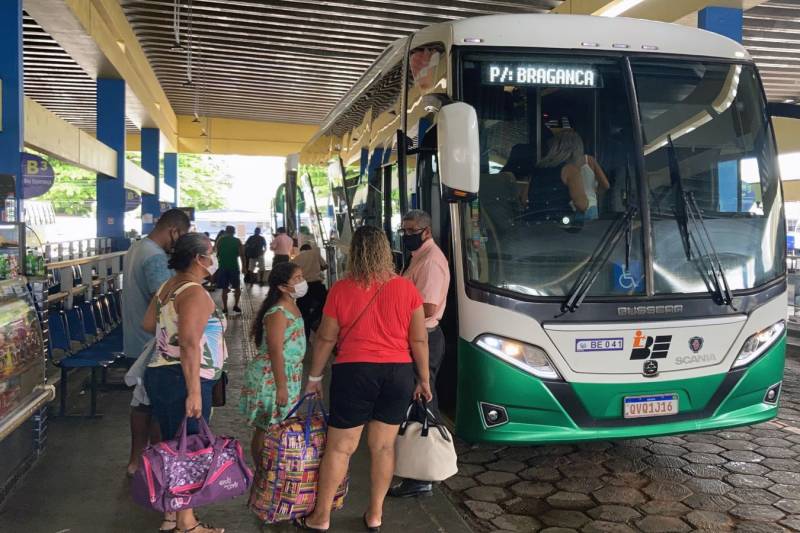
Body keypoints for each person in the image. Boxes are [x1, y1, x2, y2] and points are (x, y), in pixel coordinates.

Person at [299, 225, 433, 532]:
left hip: (354, 372)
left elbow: (325, 338)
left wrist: (314, 377)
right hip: (397, 373)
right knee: (383, 447)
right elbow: (419, 340)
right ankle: (375, 514)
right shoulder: (407, 289)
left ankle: (321, 517)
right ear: (385, 251)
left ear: (354, 253)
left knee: (340, 448)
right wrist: (423, 379)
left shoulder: (341, 289)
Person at [143, 232, 227, 533]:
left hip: (161, 374)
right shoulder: (194, 293)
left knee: (172, 444)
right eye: (211, 252)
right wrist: (194, 392)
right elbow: (190, 343)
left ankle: (173, 514)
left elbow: (148, 324)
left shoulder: (168, 287)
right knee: (188, 450)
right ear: (198, 258)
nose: (213, 258)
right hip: (184, 378)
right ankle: (187, 524)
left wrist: (170, 336)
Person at [122, 208, 190, 478]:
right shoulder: (156, 258)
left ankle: (139, 461)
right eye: (182, 236)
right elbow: (165, 302)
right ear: (173, 231)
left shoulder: (137, 248)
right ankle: (147, 463)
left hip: (134, 339)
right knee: (154, 407)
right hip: (151, 344)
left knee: (143, 403)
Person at [390, 209, 450, 498]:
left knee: (421, 401)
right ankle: (419, 471)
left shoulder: (431, 262)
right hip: (416, 336)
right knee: (417, 399)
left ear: (426, 231)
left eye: (411, 231)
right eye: (404, 230)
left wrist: (393, 313)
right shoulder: (419, 257)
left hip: (424, 337)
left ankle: (422, 476)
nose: (406, 236)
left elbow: (427, 307)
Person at [239, 261, 307, 465]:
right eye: (297, 278)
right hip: (272, 377)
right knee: (266, 427)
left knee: (281, 424)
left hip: (286, 374)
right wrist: (281, 387)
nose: (302, 282)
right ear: (282, 287)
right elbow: (276, 351)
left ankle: (275, 470)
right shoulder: (278, 312)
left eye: (302, 277)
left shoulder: (292, 305)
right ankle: (262, 471)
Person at [528, 129, 607, 222]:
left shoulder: (539, 168)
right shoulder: (570, 170)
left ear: (554, 147)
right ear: (578, 149)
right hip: (560, 224)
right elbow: (581, 205)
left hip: (535, 222)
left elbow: (524, 197)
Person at [293, 243, 328, 337]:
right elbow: (325, 266)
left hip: (303, 286)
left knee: (303, 311)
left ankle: (306, 336)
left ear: (301, 250)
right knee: (325, 305)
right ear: (309, 249)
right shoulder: (315, 253)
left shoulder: (296, 258)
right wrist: (317, 269)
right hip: (317, 285)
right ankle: (312, 320)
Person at [215, 225, 244, 315]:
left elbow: (217, 254)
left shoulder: (220, 240)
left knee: (224, 289)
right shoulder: (237, 241)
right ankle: (236, 306)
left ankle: (225, 308)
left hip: (223, 267)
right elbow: (242, 255)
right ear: (234, 232)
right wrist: (244, 267)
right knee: (237, 288)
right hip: (234, 267)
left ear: (226, 231)